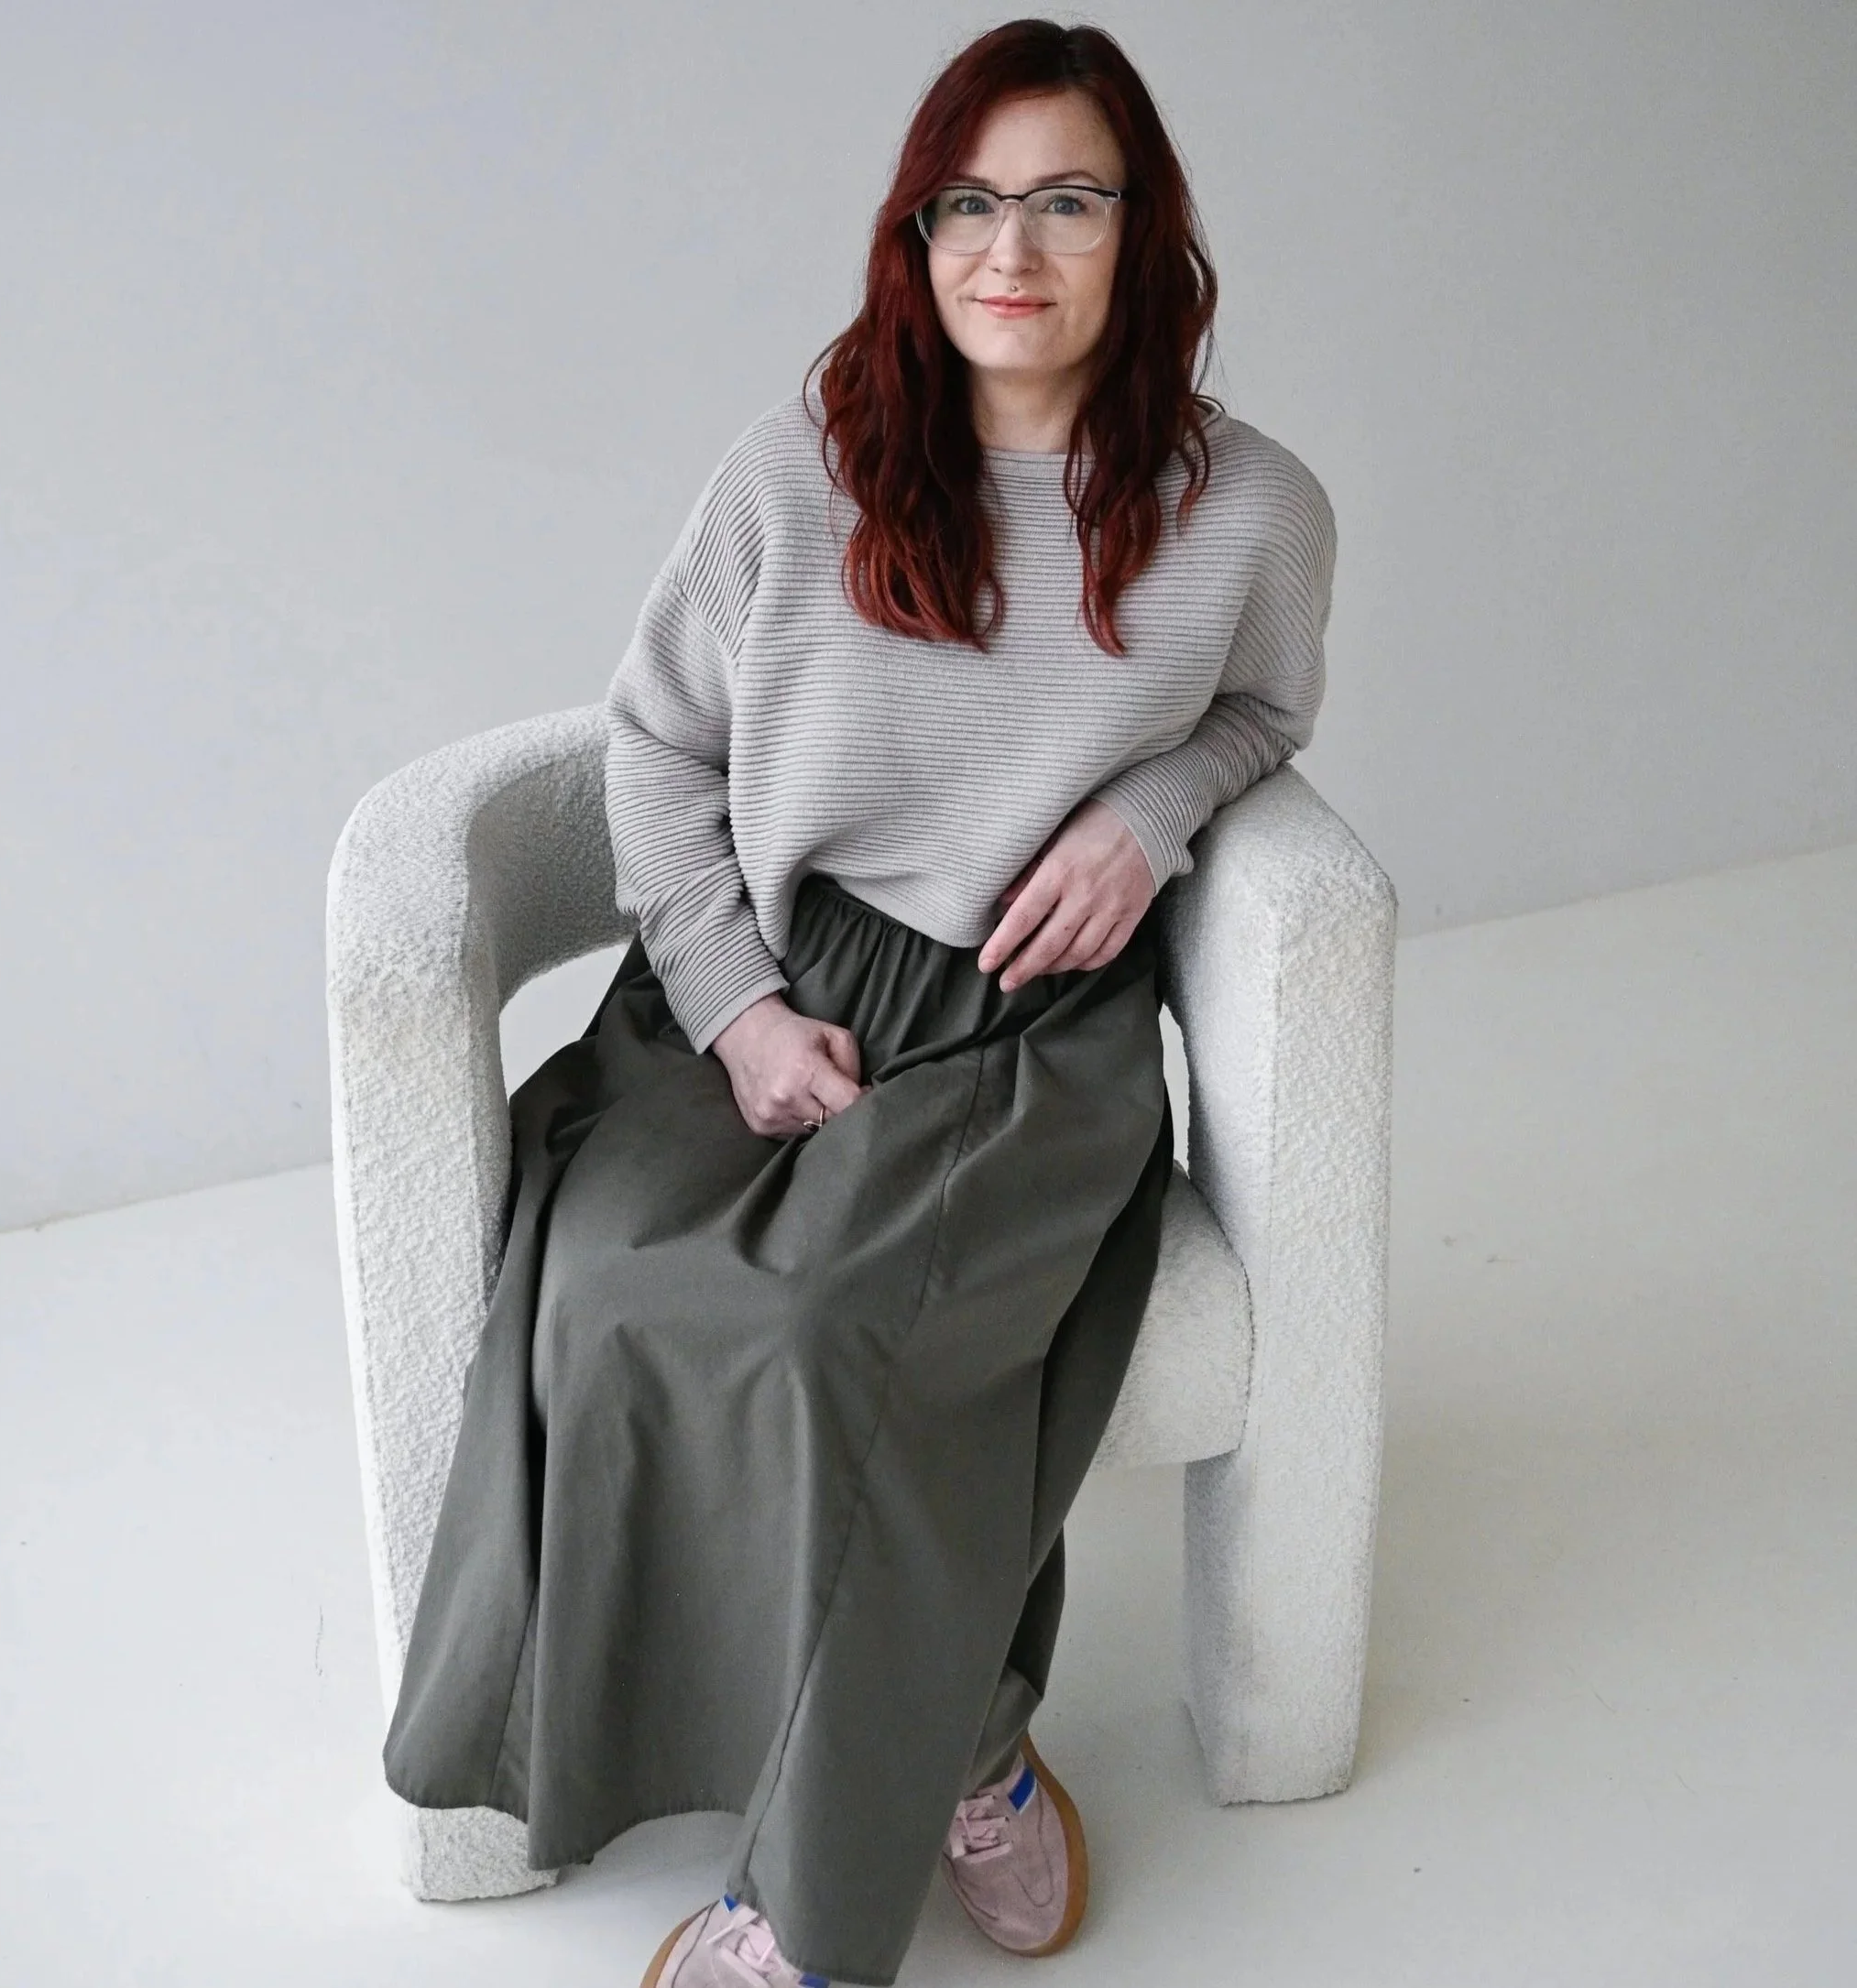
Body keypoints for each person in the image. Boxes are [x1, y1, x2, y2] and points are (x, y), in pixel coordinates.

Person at [379, 18, 1337, 1988]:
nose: (1012, 250)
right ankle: (972, 1737)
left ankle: (808, 1922)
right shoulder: (801, 468)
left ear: (1141, 229)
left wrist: (1148, 812)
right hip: (768, 974)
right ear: (913, 234)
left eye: (1067, 201)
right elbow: (653, 746)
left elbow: (1260, 709)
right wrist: (735, 1005)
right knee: (613, 1288)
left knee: (836, 1335)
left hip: (1023, 1022)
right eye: (965, 203)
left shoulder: (1245, 506)